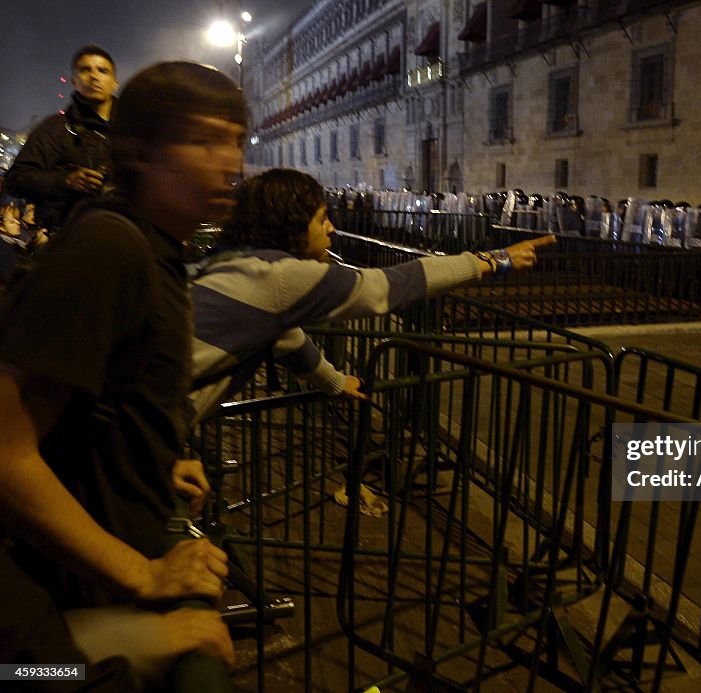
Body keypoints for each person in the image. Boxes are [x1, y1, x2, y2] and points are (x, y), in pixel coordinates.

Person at [0, 61, 245, 688]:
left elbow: (100, 394)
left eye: (237, 141)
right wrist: (142, 574)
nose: (231, 162)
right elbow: (6, 451)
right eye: (205, 140)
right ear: (138, 153)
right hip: (33, 622)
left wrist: (153, 456)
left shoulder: (152, 250)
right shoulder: (110, 248)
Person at [188, 168, 556, 514]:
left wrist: (334, 382)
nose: (332, 228)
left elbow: (286, 339)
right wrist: (493, 260)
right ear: (290, 226)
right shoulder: (277, 277)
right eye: (321, 219)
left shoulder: (229, 264)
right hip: (139, 428)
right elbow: (382, 288)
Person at [4, 45, 117, 232]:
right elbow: (15, 181)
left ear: (114, 82)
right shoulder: (54, 128)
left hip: (121, 239)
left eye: (102, 70)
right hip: (67, 239)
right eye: (85, 70)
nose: (94, 77)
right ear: (74, 81)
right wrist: (66, 181)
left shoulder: (131, 131)